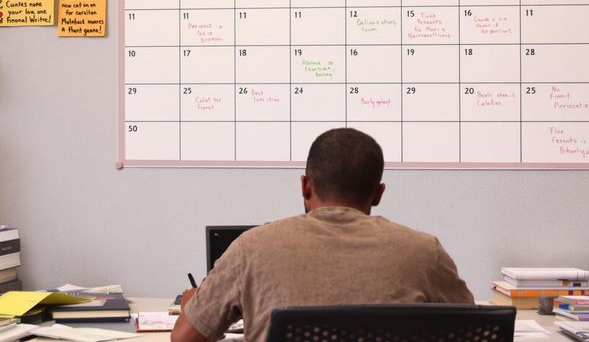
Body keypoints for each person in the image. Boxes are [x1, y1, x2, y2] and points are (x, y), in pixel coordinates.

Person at [171, 127, 474, 342]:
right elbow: (477, 332)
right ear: (379, 194)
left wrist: (193, 308)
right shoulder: (424, 252)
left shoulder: (250, 248)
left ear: (305, 186)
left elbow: (184, 339)